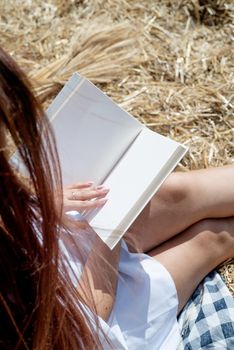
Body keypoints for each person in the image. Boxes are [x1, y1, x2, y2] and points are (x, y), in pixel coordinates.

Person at [0, 45, 234, 350]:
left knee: (178, 193)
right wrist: (108, 229)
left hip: (52, 245)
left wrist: (36, 200)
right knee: (212, 239)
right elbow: (84, 324)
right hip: (86, 320)